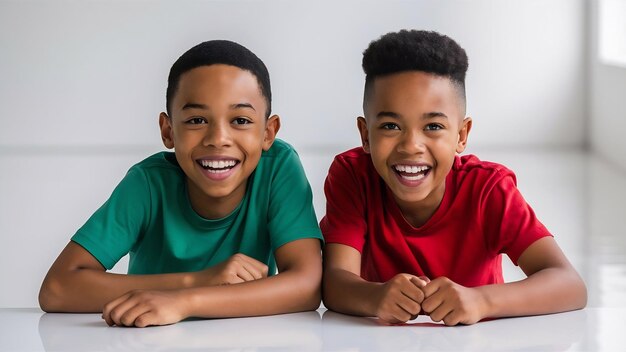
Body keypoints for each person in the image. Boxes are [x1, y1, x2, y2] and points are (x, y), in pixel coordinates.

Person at [39, 40, 323, 327]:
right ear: (168, 130)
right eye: (197, 119)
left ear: (268, 132)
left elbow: (308, 285)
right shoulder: (148, 184)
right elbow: (57, 289)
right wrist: (198, 280)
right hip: (146, 341)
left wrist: (185, 301)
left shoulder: (277, 167)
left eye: (240, 120)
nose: (218, 138)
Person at [320, 29, 587, 326]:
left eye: (433, 126)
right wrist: (375, 296)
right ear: (365, 134)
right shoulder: (352, 176)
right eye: (391, 126)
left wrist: (481, 300)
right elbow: (334, 282)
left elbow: (569, 283)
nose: (411, 146)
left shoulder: (488, 189)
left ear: (461, 135)